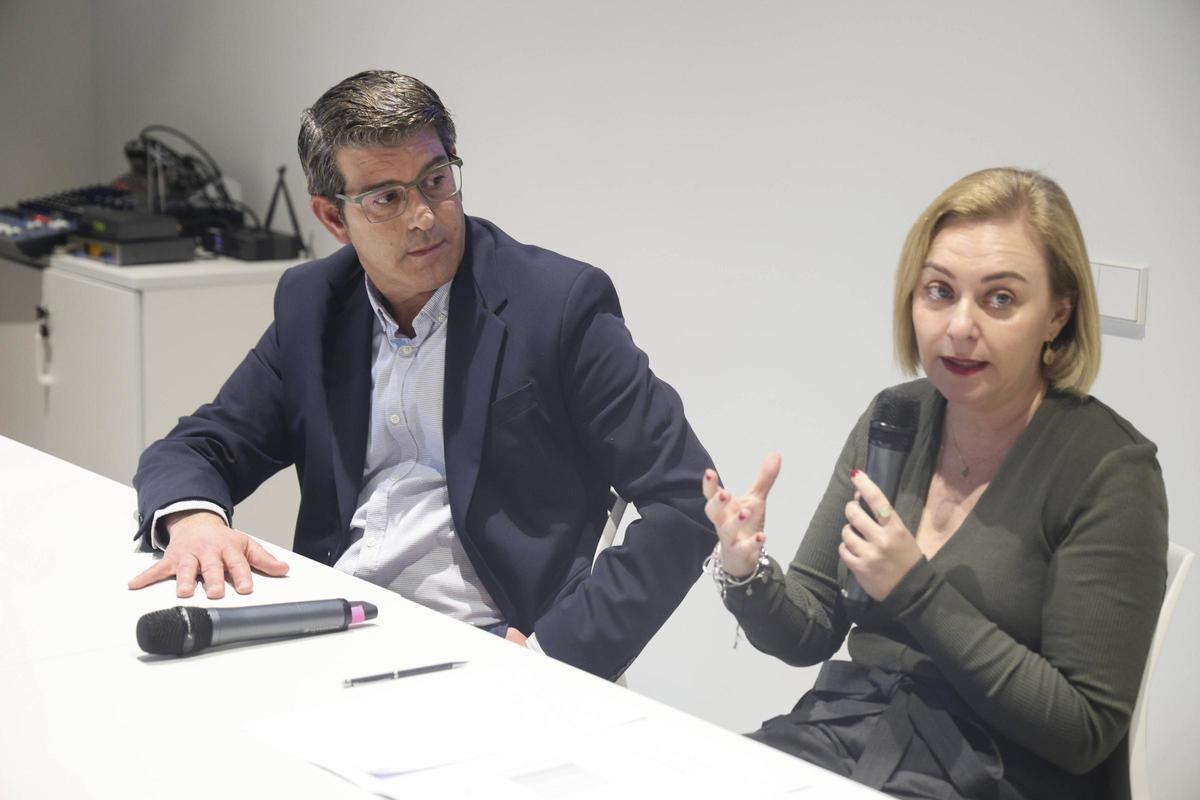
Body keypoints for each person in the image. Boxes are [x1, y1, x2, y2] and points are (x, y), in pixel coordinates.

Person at [127, 70, 714, 680]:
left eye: (435, 181)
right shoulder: (313, 305)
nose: (425, 218)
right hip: (331, 627)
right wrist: (193, 521)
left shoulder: (558, 305)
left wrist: (552, 657)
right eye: (386, 198)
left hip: (491, 647)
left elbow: (685, 500)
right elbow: (204, 444)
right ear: (333, 217)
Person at [701, 167, 1167, 798]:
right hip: (851, 736)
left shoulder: (1110, 469)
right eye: (940, 292)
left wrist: (916, 589)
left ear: (1058, 314)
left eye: (1000, 299)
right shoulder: (896, 417)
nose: (960, 325)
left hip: (999, 773)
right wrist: (744, 570)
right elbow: (811, 629)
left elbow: (1082, 731)